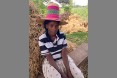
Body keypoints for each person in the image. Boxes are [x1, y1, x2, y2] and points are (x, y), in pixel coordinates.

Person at [38, 2, 84, 78]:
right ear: (46, 26)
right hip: (51, 63)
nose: (54, 28)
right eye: (51, 25)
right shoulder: (42, 39)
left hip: (63, 59)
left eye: (56, 26)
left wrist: (68, 71)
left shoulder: (62, 36)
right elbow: (49, 58)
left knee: (78, 75)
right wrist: (62, 74)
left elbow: (64, 54)